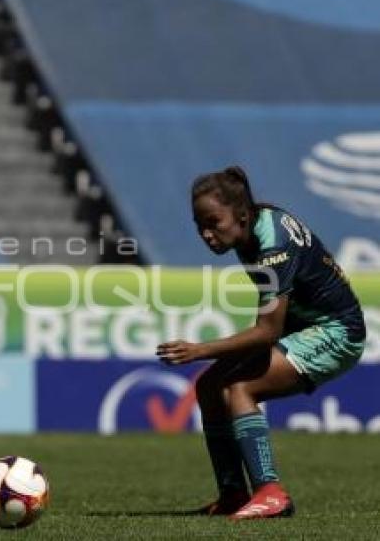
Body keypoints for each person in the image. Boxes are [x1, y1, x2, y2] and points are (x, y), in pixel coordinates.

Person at [157, 166, 366, 520]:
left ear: (240, 214)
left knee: (240, 388)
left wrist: (199, 350)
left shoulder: (273, 244)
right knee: (209, 385)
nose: (206, 234)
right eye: (198, 225)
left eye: (212, 222)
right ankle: (233, 494)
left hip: (337, 332)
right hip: (304, 327)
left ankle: (271, 494)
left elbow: (267, 331)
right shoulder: (249, 231)